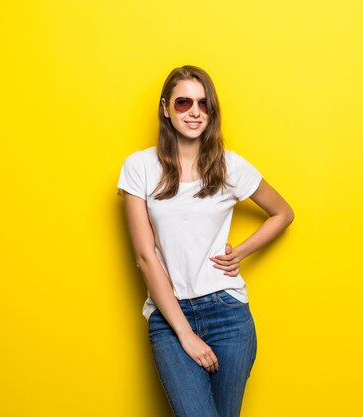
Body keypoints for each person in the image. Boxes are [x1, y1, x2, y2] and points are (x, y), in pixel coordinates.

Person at [116, 65, 294, 417]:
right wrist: (185, 334)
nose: (195, 112)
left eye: (203, 104)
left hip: (228, 315)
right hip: (170, 317)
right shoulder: (139, 167)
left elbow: (283, 213)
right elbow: (145, 257)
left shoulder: (229, 167)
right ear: (165, 108)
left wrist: (241, 251)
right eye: (184, 103)